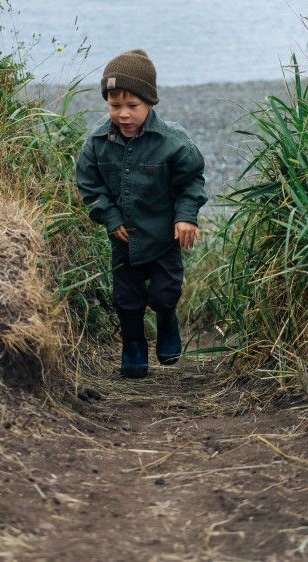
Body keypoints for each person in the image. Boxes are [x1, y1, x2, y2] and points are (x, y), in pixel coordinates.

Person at [76, 49, 207, 378]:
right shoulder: (96, 142)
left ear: (150, 102)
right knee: (126, 299)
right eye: (114, 105)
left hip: (164, 236)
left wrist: (186, 216)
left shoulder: (173, 142)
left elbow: (191, 181)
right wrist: (110, 216)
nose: (122, 114)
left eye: (132, 106)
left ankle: (167, 322)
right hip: (124, 237)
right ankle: (133, 346)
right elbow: (89, 184)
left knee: (165, 292)